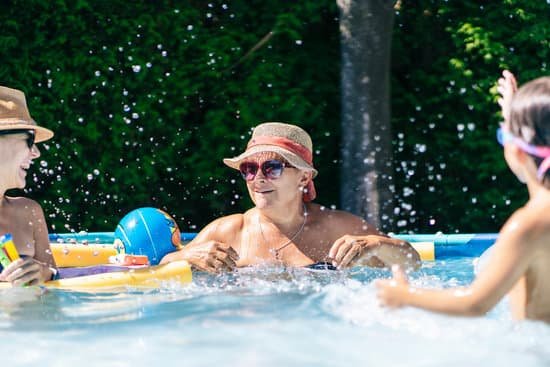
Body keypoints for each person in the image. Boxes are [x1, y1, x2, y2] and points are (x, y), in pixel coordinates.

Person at [376, 71, 550, 322]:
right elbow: (534, 174)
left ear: (518, 152)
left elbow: (475, 303)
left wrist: (405, 295)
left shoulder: (526, 226)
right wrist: (514, 117)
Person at [162, 122, 420, 272]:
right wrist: (184, 257)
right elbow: (158, 271)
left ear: (304, 177)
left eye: (272, 168)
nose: (258, 178)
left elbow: (412, 262)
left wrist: (375, 244)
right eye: (249, 169)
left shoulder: (336, 228)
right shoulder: (230, 231)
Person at [0, 86, 57, 286]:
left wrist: (45, 273)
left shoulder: (29, 212)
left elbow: (59, 289)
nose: (36, 153)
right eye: (30, 140)